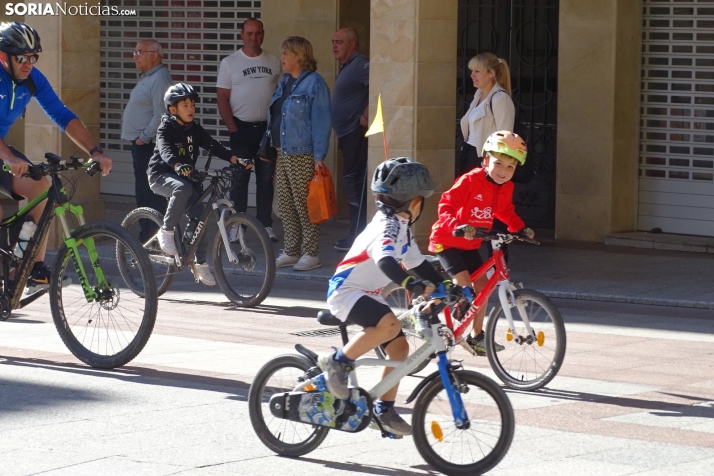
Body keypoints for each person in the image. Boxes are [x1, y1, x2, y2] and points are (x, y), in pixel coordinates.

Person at [319, 157, 447, 436]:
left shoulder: (402, 229)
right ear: (415, 203)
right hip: (347, 291)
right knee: (390, 325)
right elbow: (386, 263)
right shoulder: (386, 227)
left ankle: (384, 409)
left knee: (400, 349)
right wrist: (410, 285)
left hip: (369, 294)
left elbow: (419, 264)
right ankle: (337, 362)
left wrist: (447, 285)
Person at [0, 22, 112, 294]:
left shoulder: (32, 78)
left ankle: (32, 269)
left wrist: (94, 151)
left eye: (33, 56)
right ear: (3, 57)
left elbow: (62, 115)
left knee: (41, 186)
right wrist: (9, 157)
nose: (28, 63)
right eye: (21, 58)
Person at [429, 131, 533, 355]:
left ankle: (476, 336)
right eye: (498, 163)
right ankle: (427, 311)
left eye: (510, 167)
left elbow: (505, 212)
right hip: (447, 241)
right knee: (464, 284)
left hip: (470, 244)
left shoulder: (506, 187)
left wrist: (521, 229)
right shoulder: (470, 180)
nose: (503, 172)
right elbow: (445, 205)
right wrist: (456, 225)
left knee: (483, 286)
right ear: (485, 159)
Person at [148, 83, 246, 286]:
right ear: (172, 109)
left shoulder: (194, 128)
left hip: (184, 177)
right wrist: (177, 164)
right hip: (161, 175)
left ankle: (200, 262)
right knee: (182, 188)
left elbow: (214, 146)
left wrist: (236, 159)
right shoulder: (165, 127)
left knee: (201, 215)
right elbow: (165, 151)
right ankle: (166, 232)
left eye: (192, 104)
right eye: (185, 105)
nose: (191, 108)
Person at [267, 37, 330, 272]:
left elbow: (321, 121)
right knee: (285, 204)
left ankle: (310, 253)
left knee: (306, 206)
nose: (281, 58)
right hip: (283, 151)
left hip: (303, 153)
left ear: (299, 56)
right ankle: (292, 250)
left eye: (285, 54)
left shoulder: (315, 83)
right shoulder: (285, 81)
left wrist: (318, 157)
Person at [216, 18, 281, 243]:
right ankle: (237, 226)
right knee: (240, 179)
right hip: (241, 129)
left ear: (263, 34)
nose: (254, 38)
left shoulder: (274, 60)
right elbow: (222, 99)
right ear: (242, 35)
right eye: (250, 33)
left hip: (266, 130)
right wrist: (233, 130)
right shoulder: (230, 63)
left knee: (265, 180)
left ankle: (265, 224)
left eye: (258, 33)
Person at [121, 39, 172, 243]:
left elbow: (162, 113)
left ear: (154, 55)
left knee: (151, 194)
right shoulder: (149, 77)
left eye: (140, 52)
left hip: (149, 146)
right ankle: (146, 236)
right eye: (135, 51)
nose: (135, 55)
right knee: (143, 192)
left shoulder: (159, 78)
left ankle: (154, 239)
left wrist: (143, 138)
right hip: (141, 146)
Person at [331, 27, 369, 251]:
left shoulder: (360, 64)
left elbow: (380, 84)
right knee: (351, 184)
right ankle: (356, 233)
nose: (335, 45)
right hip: (346, 136)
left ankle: (358, 235)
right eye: (333, 41)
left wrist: (365, 114)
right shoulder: (348, 66)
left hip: (356, 135)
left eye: (340, 42)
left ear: (352, 44)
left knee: (354, 185)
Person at [458, 52, 515, 177]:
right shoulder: (478, 94)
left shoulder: (500, 98)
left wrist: (495, 165)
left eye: (477, 71)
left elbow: (505, 137)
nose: (472, 75)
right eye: (471, 70)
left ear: (491, 73)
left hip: (485, 159)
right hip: (469, 154)